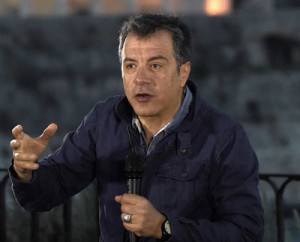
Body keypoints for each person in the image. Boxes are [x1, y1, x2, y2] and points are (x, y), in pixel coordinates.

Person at [9, 13, 264, 242]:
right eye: (131, 65)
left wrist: (165, 228)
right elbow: (46, 193)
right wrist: (26, 172)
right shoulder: (104, 120)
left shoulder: (224, 136)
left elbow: (246, 232)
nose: (141, 79)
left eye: (155, 65)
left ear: (183, 73)